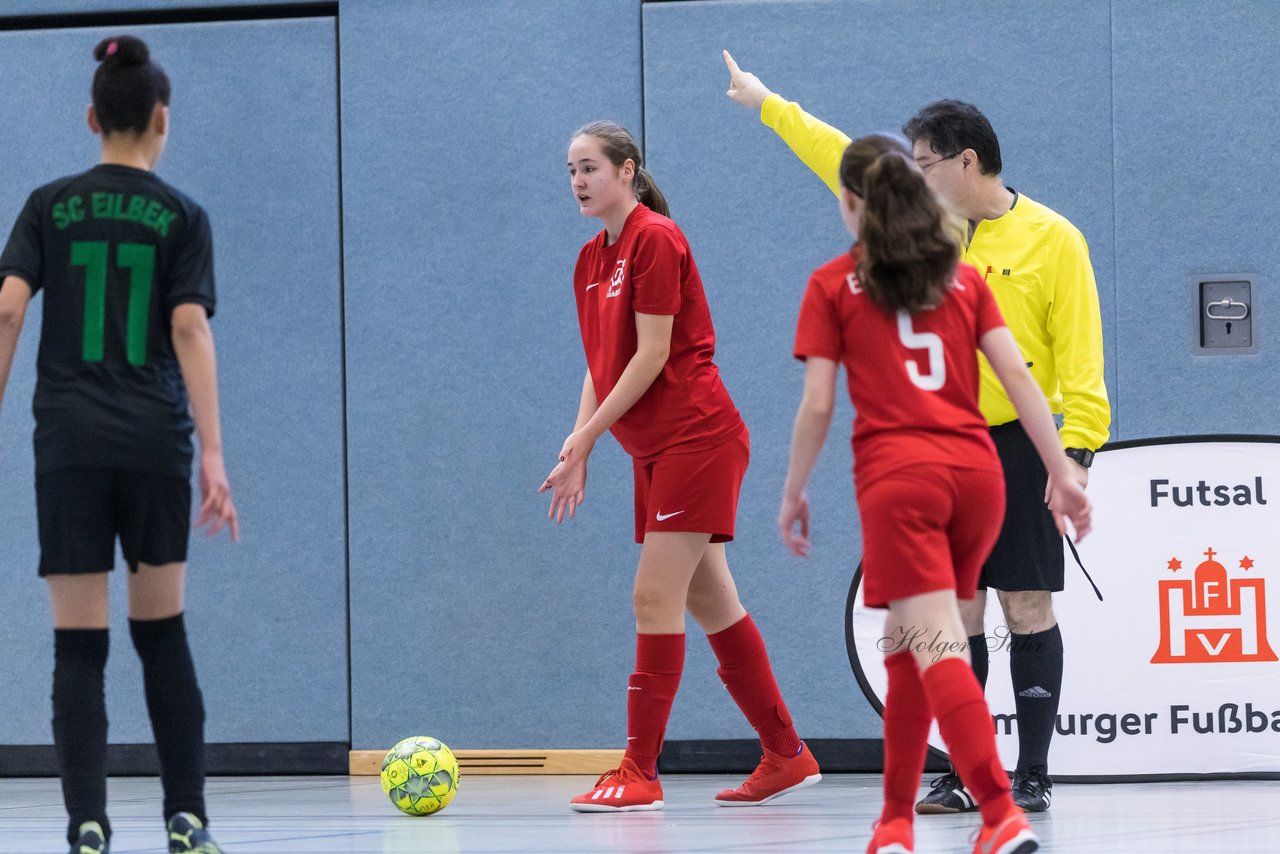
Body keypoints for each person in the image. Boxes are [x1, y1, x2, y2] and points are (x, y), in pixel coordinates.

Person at [724, 50, 1110, 813]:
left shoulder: (1054, 240)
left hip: (1014, 448)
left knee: (1025, 606)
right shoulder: (926, 233)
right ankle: (971, 772)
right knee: (954, 614)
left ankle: (1033, 773)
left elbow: (1079, 369)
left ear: (968, 161)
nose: (910, 177)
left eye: (924, 163)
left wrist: (1074, 458)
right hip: (941, 445)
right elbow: (843, 155)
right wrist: (768, 103)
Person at [780, 132, 1091, 854]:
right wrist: (1064, 472)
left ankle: (999, 814)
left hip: (903, 481)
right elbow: (1019, 380)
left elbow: (820, 405)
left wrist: (793, 491)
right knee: (902, 643)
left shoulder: (834, 283)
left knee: (936, 642)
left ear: (850, 201)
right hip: (979, 473)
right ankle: (893, 824)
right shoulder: (960, 275)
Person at [0, 35, 237, 854]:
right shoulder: (181, 215)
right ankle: (186, 816)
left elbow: (5, 309)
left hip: (67, 444)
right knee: (161, 633)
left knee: (78, 643)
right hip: (153, 443)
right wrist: (213, 454)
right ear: (161, 120)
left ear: (92, 117)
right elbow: (188, 327)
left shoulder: (45, 204)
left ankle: (88, 823)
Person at [540, 120, 820, 812]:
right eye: (570, 170)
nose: (578, 181)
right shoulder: (588, 262)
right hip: (655, 451)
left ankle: (640, 771)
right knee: (709, 600)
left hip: (698, 439)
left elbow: (652, 354)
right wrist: (578, 446)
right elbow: (602, 364)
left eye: (590, 168)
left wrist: (589, 441)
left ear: (628, 171)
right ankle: (786, 754)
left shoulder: (657, 240)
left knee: (651, 597)